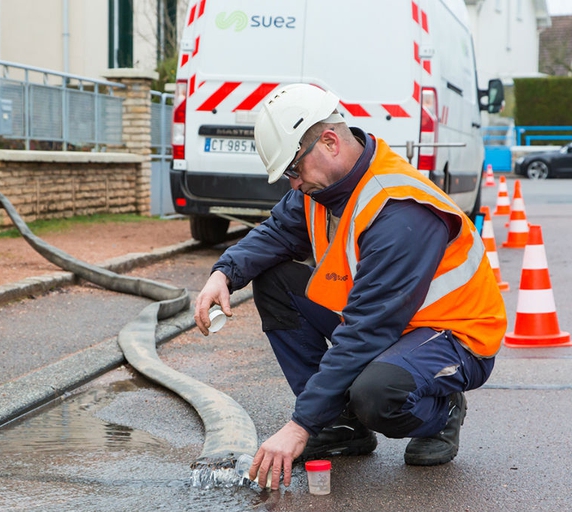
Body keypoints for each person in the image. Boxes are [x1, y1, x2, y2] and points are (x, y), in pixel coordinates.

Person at [193, 83, 506, 490]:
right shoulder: (322, 188)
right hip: (391, 321)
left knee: (377, 393)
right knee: (273, 280)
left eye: (293, 170)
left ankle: (441, 413)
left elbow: (366, 331)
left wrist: (300, 425)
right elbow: (277, 233)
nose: (293, 184)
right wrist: (224, 273)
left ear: (329, 142)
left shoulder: (399, 209)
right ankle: (339, 425)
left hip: (453, 335)